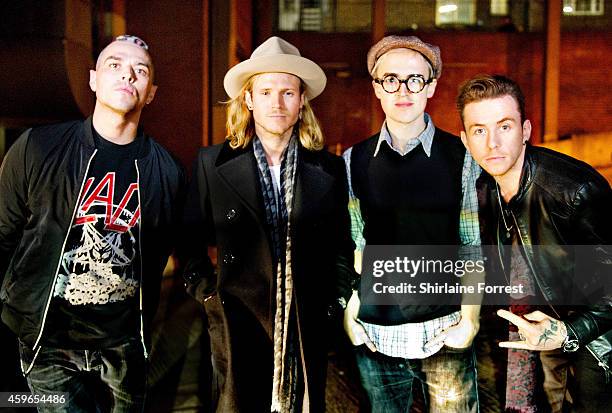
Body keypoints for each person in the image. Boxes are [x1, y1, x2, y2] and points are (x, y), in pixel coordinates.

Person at [0, 35, 186, 412]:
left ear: (151, 92)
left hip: (125, 348)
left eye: (140, 71)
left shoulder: (168, 173)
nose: (127, 76)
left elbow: (174, 252)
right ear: (93, 79)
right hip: (47, 344)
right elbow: (3, 234)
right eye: (114, 65)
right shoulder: (38, 147)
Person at [181, 36, 356, 413]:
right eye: (265, 91)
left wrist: (335, 302)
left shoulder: (327, 169)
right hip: (236, 324)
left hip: (305, 327)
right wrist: (209, 295)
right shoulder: (212, 165)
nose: (276, 103)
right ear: (249, 99)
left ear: (302, 100)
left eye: (287, 92)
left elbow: (342, 246)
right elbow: (189, 244)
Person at [341, 35, 481, 412]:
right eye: (391, 79)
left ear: (431, 86)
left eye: (415, 79)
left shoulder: (462, 158)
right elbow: (356, 248)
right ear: (377, 89)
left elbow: (472, 246)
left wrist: (469, 320)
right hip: (377, 335)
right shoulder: (353, 160)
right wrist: (350, 315)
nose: (403, 89)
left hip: (444, 331)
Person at [457, 74, 612, 412]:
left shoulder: (574, 192)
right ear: (465, 140)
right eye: (479, 131)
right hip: (532, 342)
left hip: (595, 346)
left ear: (525, 130)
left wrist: (568, 333)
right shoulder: (481, 195)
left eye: (505, 126)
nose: (492, 144)